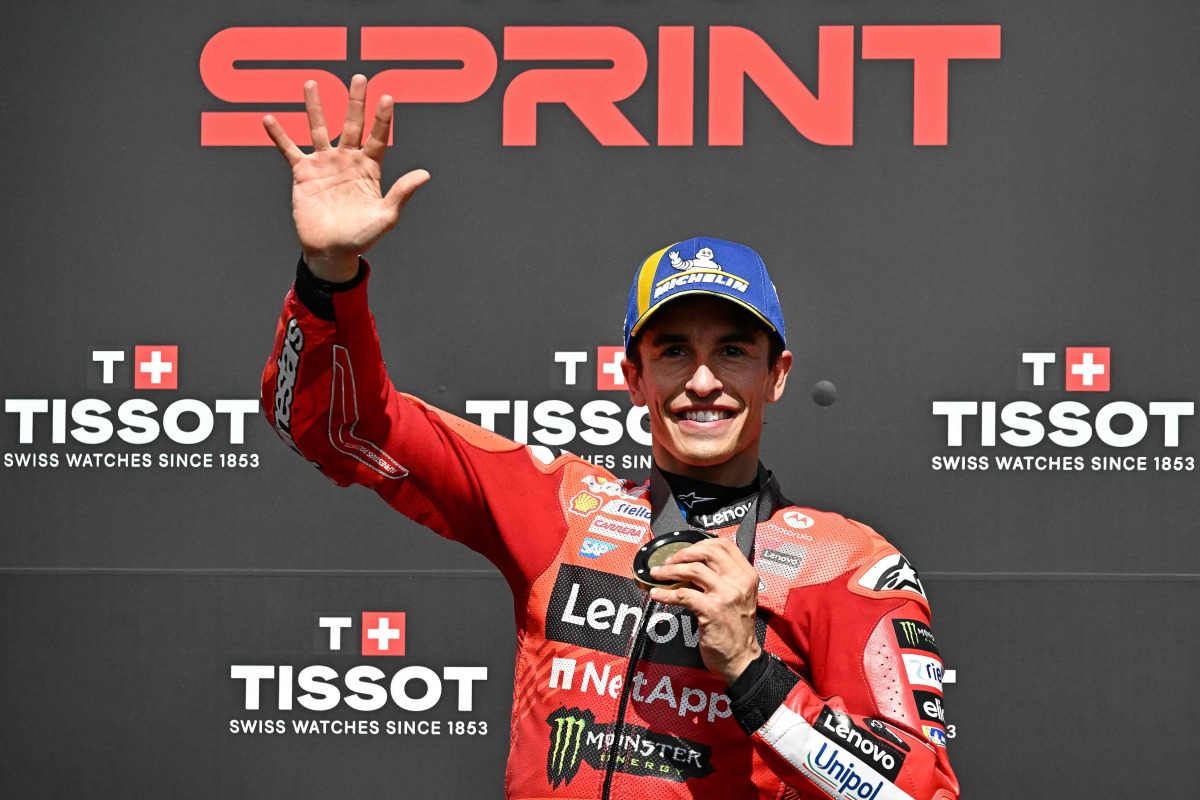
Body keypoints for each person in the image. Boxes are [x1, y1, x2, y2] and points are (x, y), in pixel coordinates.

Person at [261, 75, 959, 800]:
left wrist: (752, 671)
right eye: (674, 351)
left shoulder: (846, 565)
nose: (703, 381)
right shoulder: (557, 506)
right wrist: (328, 275)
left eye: (732, 351)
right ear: (634, 378)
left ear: (776, 376)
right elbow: (339, 427)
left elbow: (920, 793)